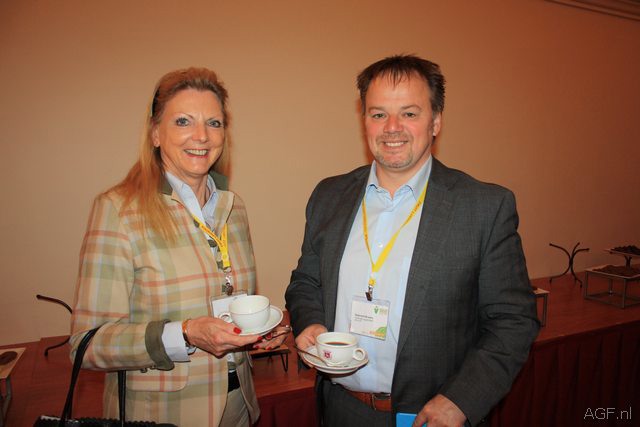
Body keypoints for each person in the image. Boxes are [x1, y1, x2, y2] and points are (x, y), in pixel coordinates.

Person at [285, 55, 539, 427]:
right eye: (378, 114)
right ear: (364, 120)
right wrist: (311, 324)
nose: (392, 128)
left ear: (435, 122)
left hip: (428, 417)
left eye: (409, 113)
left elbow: (513, 321)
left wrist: (460, 402)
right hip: (340, 408)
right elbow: (306, 282)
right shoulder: (329, 195)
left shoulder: (484, 207)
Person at [70, 67, 286, 426]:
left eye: (214, 123)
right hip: (164, 414)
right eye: (183, 121)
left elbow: (230, 300)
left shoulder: (234, 208)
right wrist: (185, 334)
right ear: (156, 133)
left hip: (240, 406)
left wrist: (258, 331)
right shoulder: (118, 210)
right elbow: (87, 344)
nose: (201, 136)